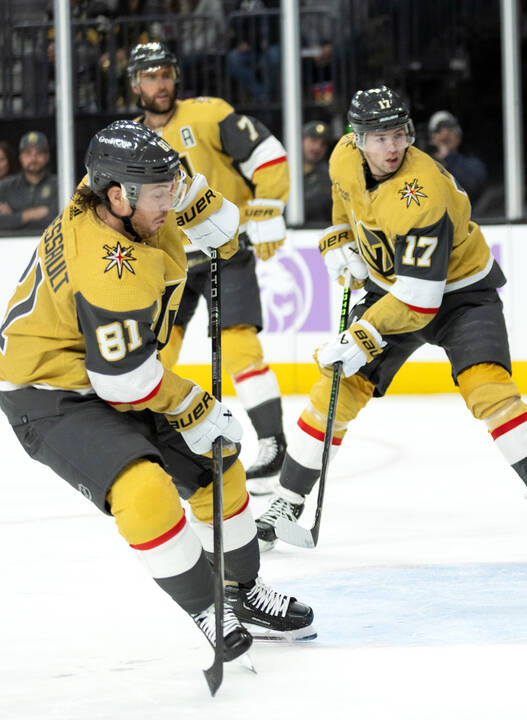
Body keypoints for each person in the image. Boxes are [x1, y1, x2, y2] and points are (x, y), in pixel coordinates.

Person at [0, 120, 313, 662]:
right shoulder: (104, 266)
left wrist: (207, 208)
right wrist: (190, 405)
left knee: (219, 461)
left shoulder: (122, 188)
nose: (171, 198)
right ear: (118, 198)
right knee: (143, 488)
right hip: (47, 390)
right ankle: (208, 606)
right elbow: (125, 383)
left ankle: (243, 592)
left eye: (171, 186)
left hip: (108, 369)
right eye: (161, 193)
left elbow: (217, 216)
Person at [254, 86, 527, 550]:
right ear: (356, 139)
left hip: (461, 295)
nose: (392, 147)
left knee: (489, 389)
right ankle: (287, 500)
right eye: (379, 138)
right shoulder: (343, 156)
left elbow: (420, 301)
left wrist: (363, 332)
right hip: (391, 288)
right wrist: (339, 236)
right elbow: (344, 198)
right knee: (336, 390)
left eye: (398, 134)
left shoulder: (422, 194)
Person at [125, 42, 291, 495]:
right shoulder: (130, 139)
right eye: (151, 76)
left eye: (167, 74)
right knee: (155, 357)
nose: (162, 84)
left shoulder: (207, 113)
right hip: (169, 263)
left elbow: (268, 152)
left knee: (238, 347)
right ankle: (151, 448)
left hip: (224, 249)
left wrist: (268, 206)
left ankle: (274, 446)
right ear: (135, 84)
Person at [0, 131, 57, 234]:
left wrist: (14, 217)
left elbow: (57, 220)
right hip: (9, 246)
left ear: (47, 156)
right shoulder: (5, 186)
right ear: (20, 157)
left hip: (50, 244)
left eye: (39, 153)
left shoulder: (59, 185)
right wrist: (29, 215)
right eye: (28, 153)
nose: (33, 158)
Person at [427, 110, 488, 204]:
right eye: (439, 130)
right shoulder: (424, 164)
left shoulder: (473, 164)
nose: (445, 133)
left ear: (458, 136)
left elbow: (472, 186)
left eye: (450, 129)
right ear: (431, 139)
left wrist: (448, 158)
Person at [301, 119, 334, 226]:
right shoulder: (283, 170)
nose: (317, 148)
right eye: (313, 140)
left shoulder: (331, 175)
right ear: (301, 140)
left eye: (323, 144)